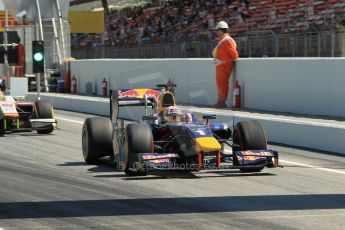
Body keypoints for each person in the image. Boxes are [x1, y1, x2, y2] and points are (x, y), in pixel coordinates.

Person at [212, 21, 239, 108]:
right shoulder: (223, 40)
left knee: (222, 83)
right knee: (220, 83)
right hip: (221, 65)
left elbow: (234, 55)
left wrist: (226, 62)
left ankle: (222, 102)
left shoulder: (227, 40)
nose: (216, 32)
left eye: (217, 30)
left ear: (221, 30)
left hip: (224, 66)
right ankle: (220, 101)